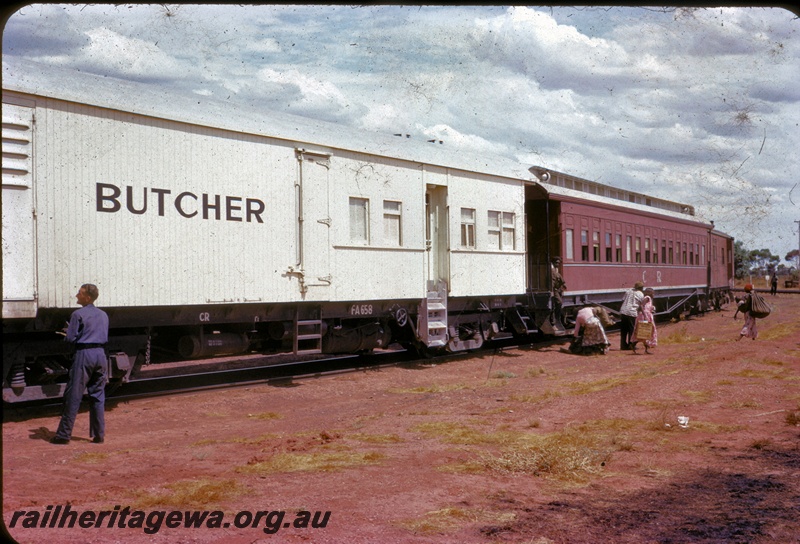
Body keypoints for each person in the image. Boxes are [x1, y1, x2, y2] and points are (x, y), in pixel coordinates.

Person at [51, 284, 109, 445]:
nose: (77, 295)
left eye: (80, 293)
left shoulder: (77, 314)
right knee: (98, 395)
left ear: (87, 298)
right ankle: (99, 435)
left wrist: (66, 333)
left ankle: (63, 435)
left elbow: (70, 339)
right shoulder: (103, 315)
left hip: (84, 355)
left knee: (74, 395)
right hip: (101, 355)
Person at [630, 288, 658, 354]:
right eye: (653, 293)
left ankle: (643, 348)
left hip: (645, 315)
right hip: (645, 316)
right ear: (649, 293)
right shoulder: (647, 298)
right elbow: (641, 305)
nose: (653, 295)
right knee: (646, 331)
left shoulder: (648, 299)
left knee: (644, 332)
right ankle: (635, 345)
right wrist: (645, 315)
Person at [619, 281, 644, 350]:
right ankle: (631, 345)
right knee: (631, 329)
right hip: (632, 312)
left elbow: (623, 300)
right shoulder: (640, 294)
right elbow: (641, 305)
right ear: (641, 288)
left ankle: (623, 345)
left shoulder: (628, 291)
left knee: (624, 330)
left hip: (623, 311)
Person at [550, 257, 566, 328]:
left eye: (559, 263)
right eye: (556, 263)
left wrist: (563, 284)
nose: (558, 264)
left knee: (556, 304)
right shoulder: (552, 270)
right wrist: (552, 291)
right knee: (559, 302)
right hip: (555, 290)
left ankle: (556, 318)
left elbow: (559, 277)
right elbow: (553, 281)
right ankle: (556, 318)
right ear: (553, 263)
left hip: (558, 289)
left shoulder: (556, 269)